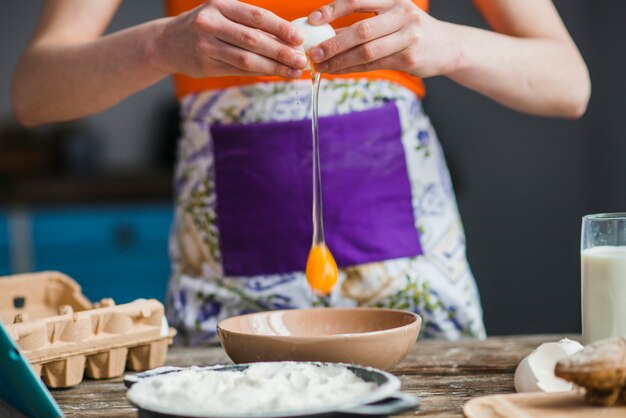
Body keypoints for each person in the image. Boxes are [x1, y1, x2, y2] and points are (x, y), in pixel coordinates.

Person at [11, 0, 590, 344]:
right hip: (227, 318)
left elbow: (569, 83)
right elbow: (34, 93)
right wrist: (161, 44)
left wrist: (444, 45)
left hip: (416, 307)